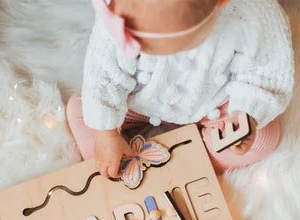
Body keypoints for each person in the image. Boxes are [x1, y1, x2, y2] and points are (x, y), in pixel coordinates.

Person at [66, 0, 294, 176]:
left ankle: (189, 167)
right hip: (138, 101)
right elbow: (103, 74)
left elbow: (265, 70)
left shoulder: (252, 13)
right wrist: (104, 135)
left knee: (264, 138)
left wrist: (245, 114)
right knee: (80, 111)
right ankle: (115, 162)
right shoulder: (118, 10)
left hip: (213, 103)